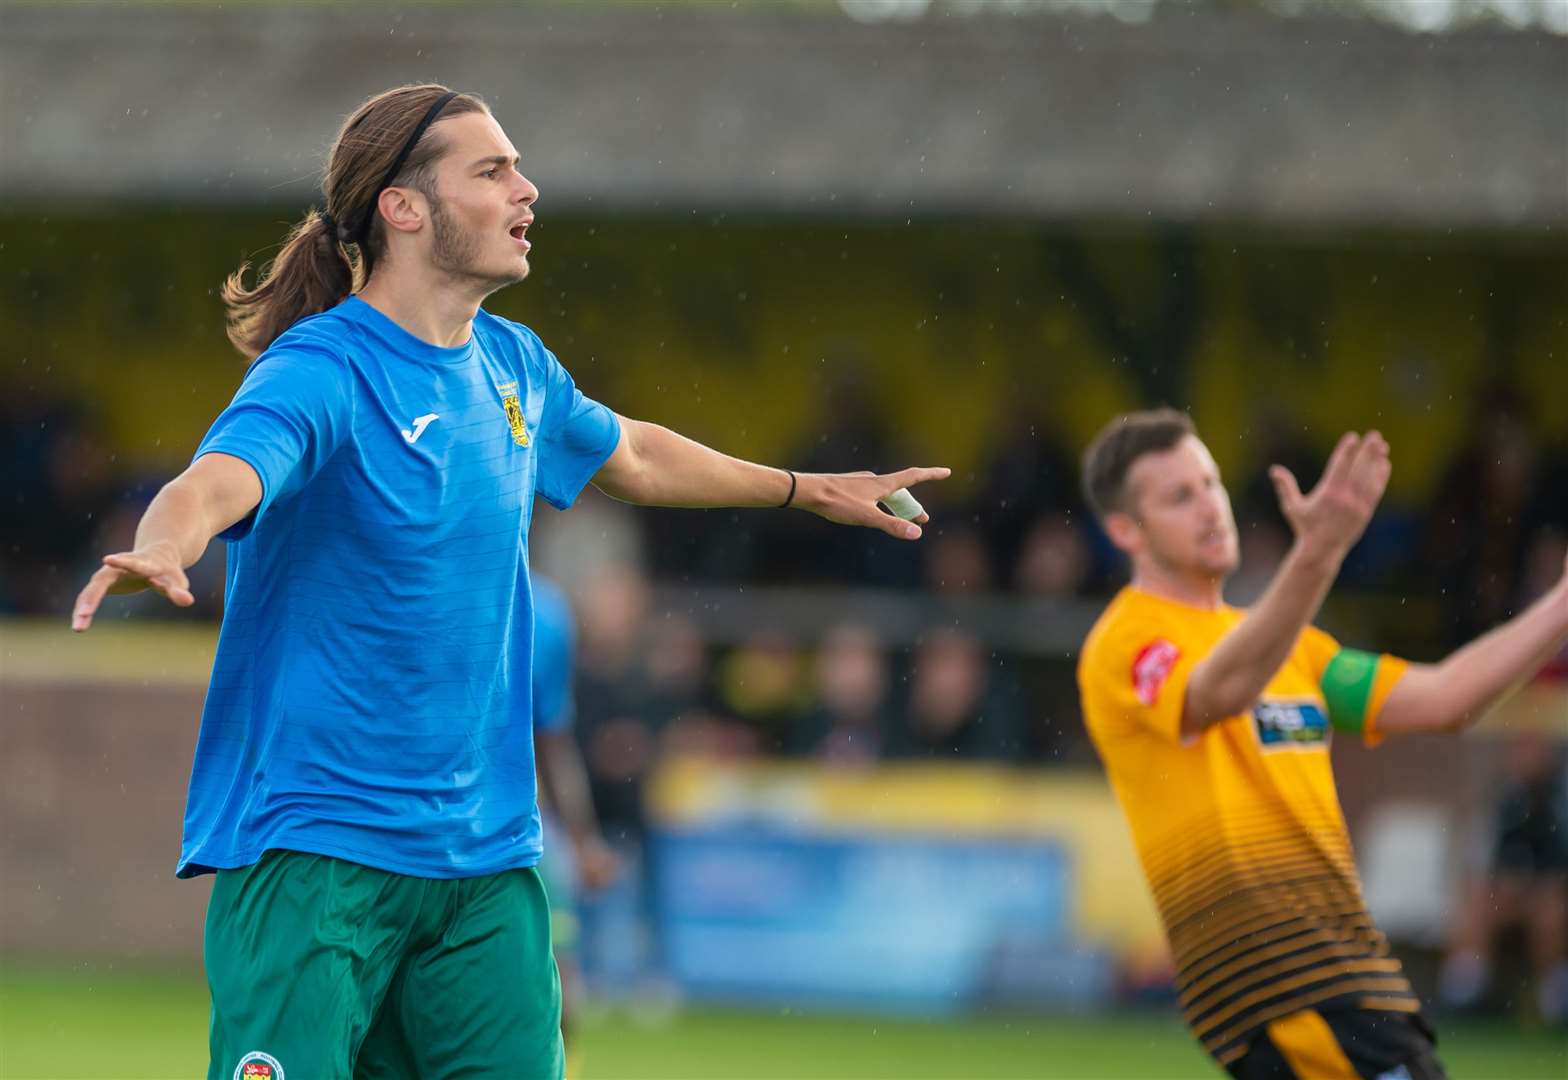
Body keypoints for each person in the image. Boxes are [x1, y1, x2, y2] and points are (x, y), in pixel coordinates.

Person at [69, 83, 947, 1080]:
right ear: (401, 207)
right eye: (491, 171)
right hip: (318, 854)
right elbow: (219, 478)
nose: (525, 190)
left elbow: (637, 455)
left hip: (484, 865)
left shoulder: (514, 364)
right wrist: (165, 542)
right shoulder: (322, 368)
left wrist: (802, 489)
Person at [1075, 408, 1568, 1080]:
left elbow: (1448, 698)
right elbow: (1217, 691)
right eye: (1179, 496)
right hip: (1278, 984)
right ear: (1124, 529)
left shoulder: (1294, 649)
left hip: (1349, 980)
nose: (1210, 508)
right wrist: (1320, 553)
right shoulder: (1124, 642)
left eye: (1212, 484)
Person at [529, 575, 619, 1077]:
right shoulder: (548, 611)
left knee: (559, 983)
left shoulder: (547, 614)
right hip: (429, 828)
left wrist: (583, 841)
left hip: (523, 828)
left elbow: (553, 736)